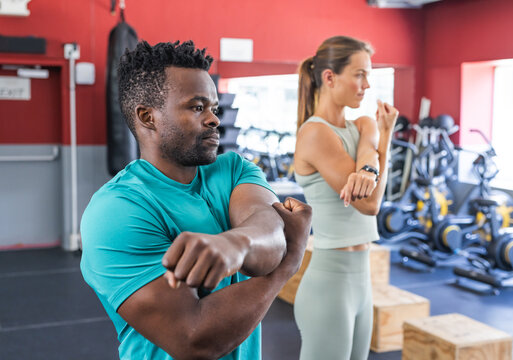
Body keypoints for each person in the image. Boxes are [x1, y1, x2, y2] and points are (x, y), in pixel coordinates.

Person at [80, 40, 312, 360]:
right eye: (197, 106)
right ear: (148, 117)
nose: (214, 119)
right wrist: (289, 262)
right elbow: (194, 340)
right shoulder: (117, 209)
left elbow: (270, 229)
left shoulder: (234, 169)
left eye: (214, 108)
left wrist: (237, 244)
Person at [293, 35, 399, 360]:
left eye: (369, 74)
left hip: (361, 280)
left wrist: (372, 160)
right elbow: (370, 205)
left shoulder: (363, 124)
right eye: (359, 74)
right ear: (329, 77)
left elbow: (369, 146)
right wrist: (381, 148)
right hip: (330, 284)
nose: (367, 84)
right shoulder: (314, 133)